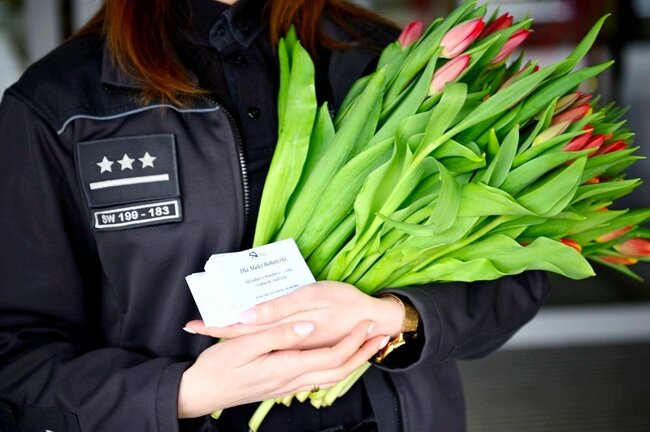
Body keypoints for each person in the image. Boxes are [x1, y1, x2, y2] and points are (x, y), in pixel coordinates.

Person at [0, 0, 549, 431]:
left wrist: (396, 316)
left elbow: (516, 268)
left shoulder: (395, 61)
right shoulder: (61, 106)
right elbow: (16, 356)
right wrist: (183, 392)